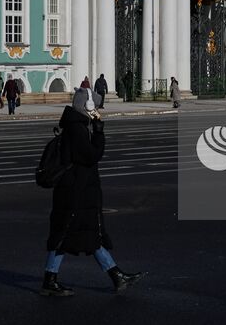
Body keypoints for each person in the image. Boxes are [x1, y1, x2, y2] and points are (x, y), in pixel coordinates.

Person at [42, 89, 145, 297]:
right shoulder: (78, 129)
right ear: (87, 107)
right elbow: (90, 156)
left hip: (75, 191)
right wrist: (99, 133)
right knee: (66, 234)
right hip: (76, 192)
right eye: (94, 106)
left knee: (88, 234)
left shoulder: (74, 126)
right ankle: (49, 281)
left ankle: (116, 276)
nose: (96, 109)